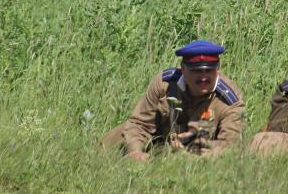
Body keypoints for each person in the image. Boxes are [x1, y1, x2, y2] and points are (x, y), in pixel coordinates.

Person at [102, 40, 245, 160]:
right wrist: (135, 151)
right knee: (119, 137)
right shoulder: (165, 84)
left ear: (217, 69)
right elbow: (139, 124)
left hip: (196, 154)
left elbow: (232, 144)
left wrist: (207, 151)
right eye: (196, 71)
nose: (203, 77)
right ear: (183, 68)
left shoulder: (230, 100)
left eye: (209, 70)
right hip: (158, 140)